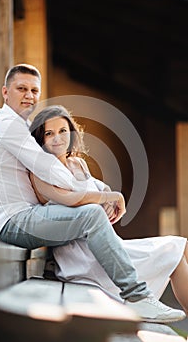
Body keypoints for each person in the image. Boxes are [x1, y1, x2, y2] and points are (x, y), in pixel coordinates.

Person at [0, 63, 186, 323]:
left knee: (96, 214)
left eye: (34, 90)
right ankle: (137, 297)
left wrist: (101, 192)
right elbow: (54, 172)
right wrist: (103, 197)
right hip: (13, 222)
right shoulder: (9, 126)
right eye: (21, 89)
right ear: (5, 92)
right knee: (91, 215)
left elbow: (67, 178)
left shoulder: (20, 127)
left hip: (27, 217)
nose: (29, 95)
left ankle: (138, 295)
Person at [29, 104, 188, 319]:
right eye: (49, 133)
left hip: (104, 246)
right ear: (40, 139)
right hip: (82, 257)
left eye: (63, 131)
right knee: (174, 252)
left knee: (180, 246)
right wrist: (111, 197)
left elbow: (97, 188)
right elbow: (69, 199)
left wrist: (110, 197)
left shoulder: (78, 164)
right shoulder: (40, 170)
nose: (57, 138)